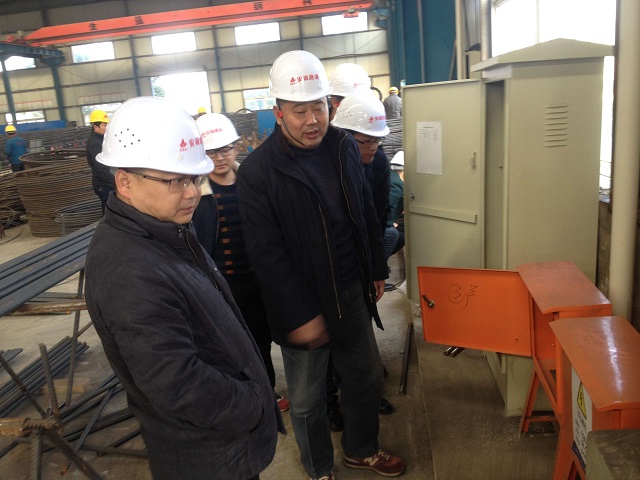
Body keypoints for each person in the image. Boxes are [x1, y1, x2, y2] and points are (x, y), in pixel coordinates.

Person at [84, 96, 280, 480]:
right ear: (124, 181)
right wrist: (253, 403)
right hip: (207, 456)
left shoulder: (166, 229)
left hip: (224, 444)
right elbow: (177, 383)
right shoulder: (129, 270)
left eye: (193, 178)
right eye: (175, 180)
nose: (191, 193)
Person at [237, 50, 405, 480]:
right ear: (278, 112)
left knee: (366, 377)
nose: (312, 120)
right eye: (299, 111)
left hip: (350, 290)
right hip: (302, 303)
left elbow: (364, 212)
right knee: (308, 399)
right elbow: (267, 255)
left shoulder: (343, 146)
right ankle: (319, 469)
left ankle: (361, 449)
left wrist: (375, 269)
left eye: (319, 107)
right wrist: (301, 316)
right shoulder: (258, 173)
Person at [192, 112, 290, 413]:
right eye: (211, 152)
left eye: (225, 149)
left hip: (259, 280)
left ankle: (266, 391)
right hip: (222, 285)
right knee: (229, 343)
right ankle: (240, 394)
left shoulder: (253, 182)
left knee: (262, 339)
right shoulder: (195, 195)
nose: (219, 158)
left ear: (236, 147)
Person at [330, 91, 397, 427]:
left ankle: (364, 393)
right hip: (331, 266)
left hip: (360, 260)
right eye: (365, 141)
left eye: (377, 141)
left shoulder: (379, 163)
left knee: (360, 333)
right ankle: (330, 401)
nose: (372, 148)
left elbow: (378, 217)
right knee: (328, 340)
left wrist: (375, 268)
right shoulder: (327, 166)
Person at [86, 109, 114, 213]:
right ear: (96, 127)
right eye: (104, 125)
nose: (107, 128)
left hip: (106, 182)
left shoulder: (102, 140)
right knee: (109, 209)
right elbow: (102, 169)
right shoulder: (95, 143)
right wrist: (115, 184)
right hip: (104, 184)